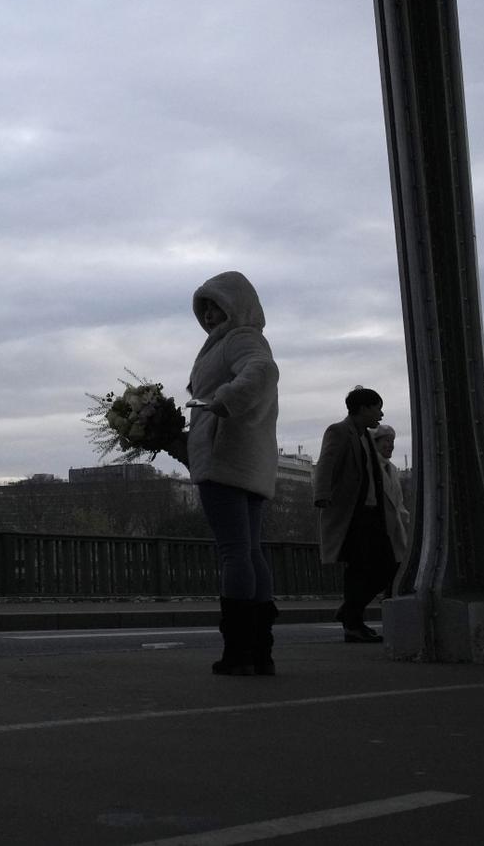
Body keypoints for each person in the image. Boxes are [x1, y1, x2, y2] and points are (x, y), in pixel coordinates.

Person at [185, 271, 280, 677]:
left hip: (225, 457)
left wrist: (226, 399)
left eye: (216, 306)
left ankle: (238, 651)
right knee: (250, 551)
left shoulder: (239, 339)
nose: (208, 315)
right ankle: (260, 651)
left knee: (234, 553)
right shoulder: (237, 341)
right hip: (248, 459)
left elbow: (263, 371)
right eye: (204, 308)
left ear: (236, 305)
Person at [313, 387, 395, 642]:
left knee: (387, 565)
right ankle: (353, 623)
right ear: (363, 409)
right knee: (361, 567)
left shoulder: (365, 436)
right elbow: (326, 463)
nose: (381, 414)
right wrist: (321, 495)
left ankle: (350, 613)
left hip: (372, 513)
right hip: (353, 513)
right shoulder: (339, 431)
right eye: (377, 408)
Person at [372, 424, 411, 576]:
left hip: (396, 533)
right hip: (379, 533)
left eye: (392, 441)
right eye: (386, 441)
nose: (391, 445)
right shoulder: (369, 467)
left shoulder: (393, 470)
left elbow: (398, 503)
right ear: (375, 443)